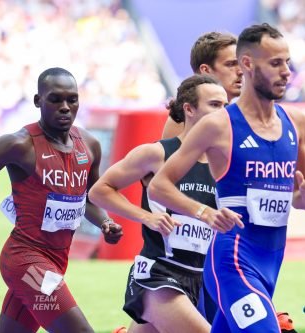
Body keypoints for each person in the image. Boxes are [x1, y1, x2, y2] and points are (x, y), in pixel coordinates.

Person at [149, 23, 304, 333]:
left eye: (287, 62)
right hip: (232, 260)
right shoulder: (217, 125)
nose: (286, 72)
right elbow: (159, 185)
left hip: (272, 262)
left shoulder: (295, 122)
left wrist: (301, 198)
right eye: (275, 63)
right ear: (247, 64)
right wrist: (205, 212)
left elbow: (300, 196)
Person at [0, 67, 123, 333]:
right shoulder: (19, 145)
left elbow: (87, 198)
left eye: (72, 99)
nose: (65, 107)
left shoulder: (89, 145)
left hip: (56, 261)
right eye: (55, 99)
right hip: (25, 260)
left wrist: (105, 223)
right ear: (38, 101)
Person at [89, 74, 228, 333]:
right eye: (215, 105)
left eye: (226, 106)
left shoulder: (224, 163)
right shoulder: (157, 153)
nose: (224, 113)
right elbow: (99, 191)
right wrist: (146, 217)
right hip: (159, 275)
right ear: (189, 109)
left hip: (202, 278)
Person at [162, 32, 243, 139]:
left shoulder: (240, 112)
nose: (241, 71)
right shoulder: (185, 117)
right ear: (206, 70)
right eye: (231, 64)